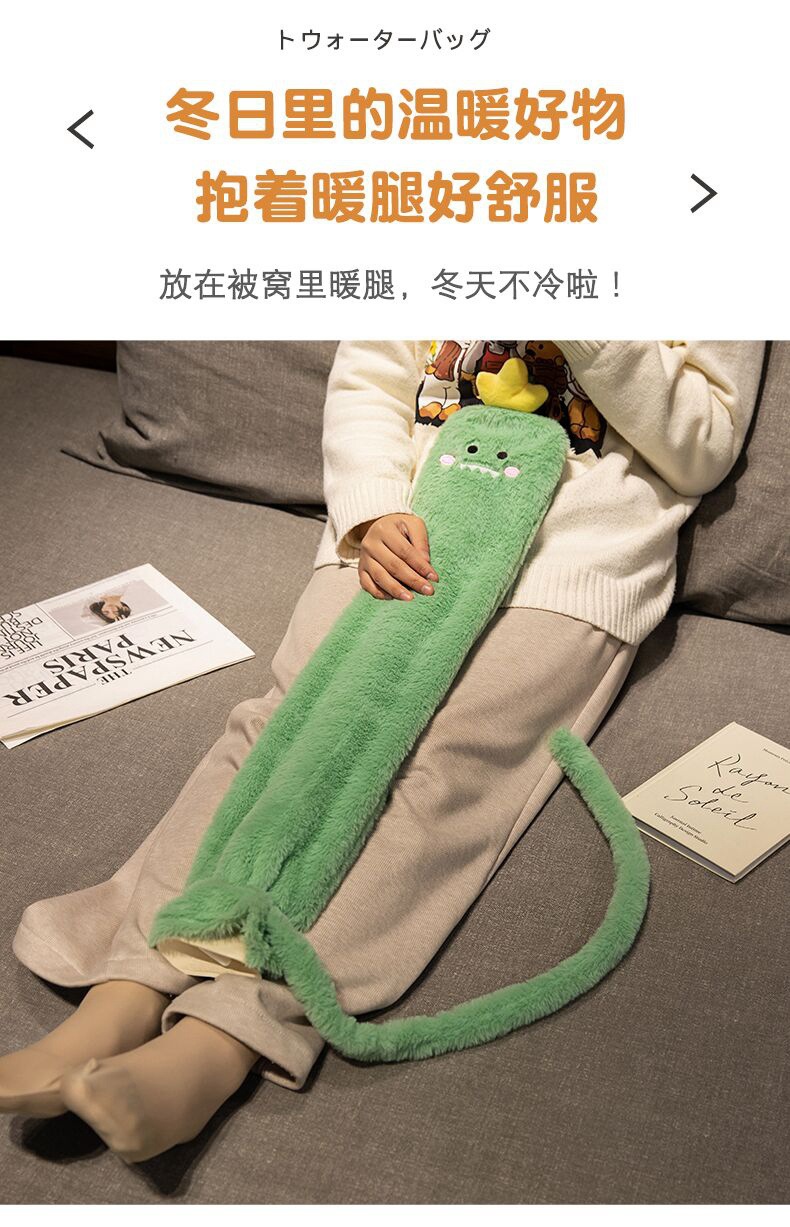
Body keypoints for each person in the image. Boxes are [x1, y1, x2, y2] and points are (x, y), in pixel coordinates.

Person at [0, 339, 766, 1164]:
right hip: (407, 527)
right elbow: (369, 378)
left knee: (442, 770)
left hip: (570, 567)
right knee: (280, 728)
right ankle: (129, 982)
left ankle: (229, 1034)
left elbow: (701, 448)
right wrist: (369, 508)